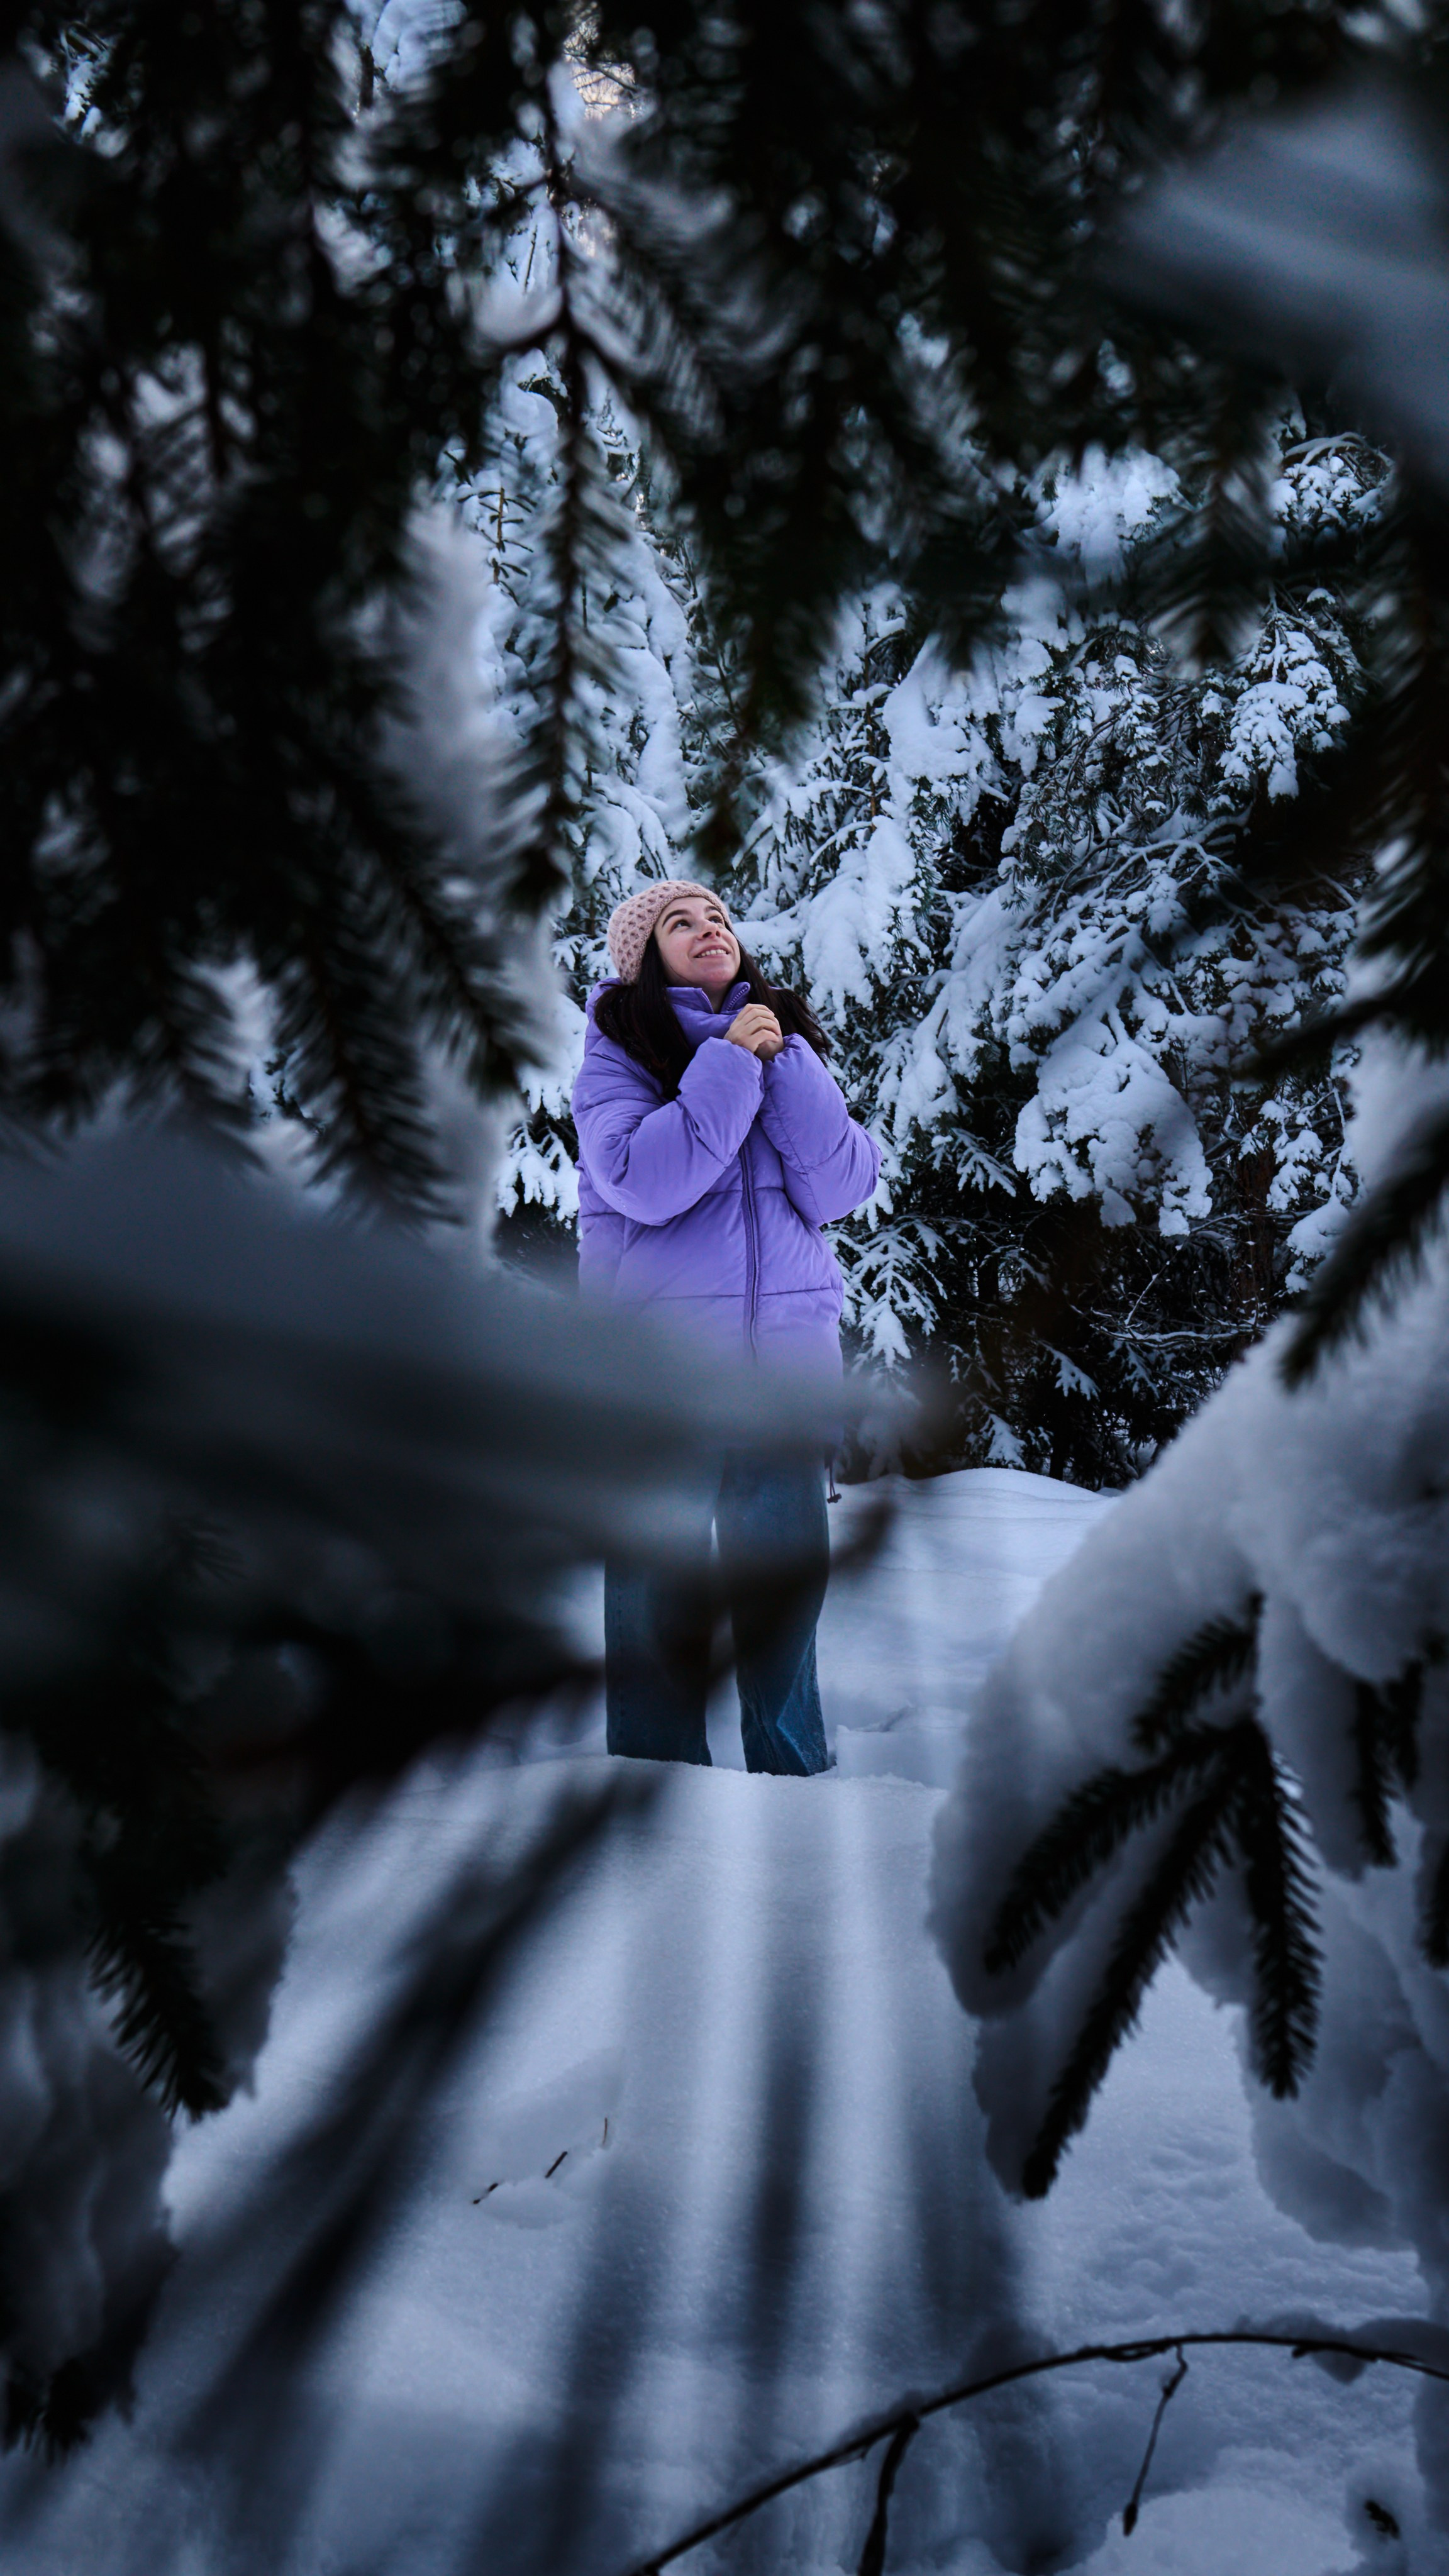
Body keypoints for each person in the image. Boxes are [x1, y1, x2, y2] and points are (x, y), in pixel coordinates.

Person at [571, 878, 881, 1773]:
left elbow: (842, 1188)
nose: (709, 929)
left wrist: (782, 1064)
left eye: (718, 918)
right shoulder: (619, 1054)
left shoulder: (779, 1041)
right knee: (655, 1601)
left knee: (783, 1599)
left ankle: (794, 1779)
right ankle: (655, 1788)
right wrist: (733, 1064)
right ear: (644, 959)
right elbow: (645, 1181)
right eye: (681, 922)